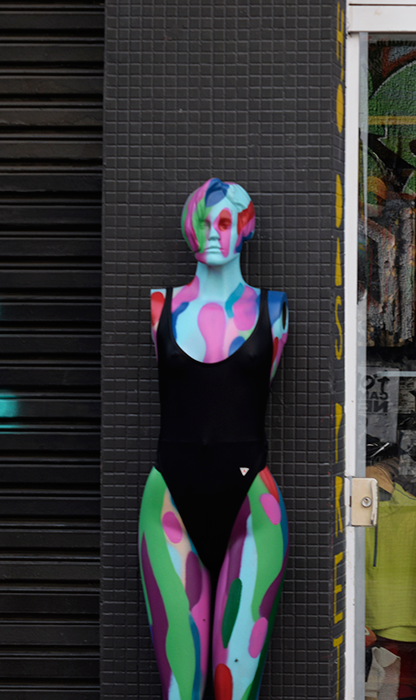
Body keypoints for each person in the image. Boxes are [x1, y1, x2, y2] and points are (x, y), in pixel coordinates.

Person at [140, 178, 289, 700]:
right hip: (170, 502)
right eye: (202, 221)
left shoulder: (273, 310)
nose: (210, 232)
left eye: (223, 222)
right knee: (180, 691)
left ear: (245, 229)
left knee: (235, 690)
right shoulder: (161, 306)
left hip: (251, 505)